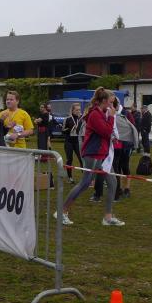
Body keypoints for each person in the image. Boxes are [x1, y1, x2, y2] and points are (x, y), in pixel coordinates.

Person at [56, 87, 124, 226]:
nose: (113, 106)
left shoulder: (103, 113)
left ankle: (108, 217)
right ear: (104, 101)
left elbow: (107, 133)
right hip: (93, 153)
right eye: (111, 102)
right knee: (85, 183)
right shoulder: (95, 114)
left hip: (103, 153)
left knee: (112, 182)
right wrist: (112, 117)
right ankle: (61, 211)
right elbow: (105, 131)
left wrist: (112, 136)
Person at [62, 103, 84, 183]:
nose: (78, 111)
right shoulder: (67, 119)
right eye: (76, 110)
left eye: (79, 110)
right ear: (72, 110)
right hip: (69, 141)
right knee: (69, 159)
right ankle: (69, 177)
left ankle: (85, 177)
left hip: (78, 142)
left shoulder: (81, 119)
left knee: (82, 159)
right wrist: (70, 129)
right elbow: (63, 131)